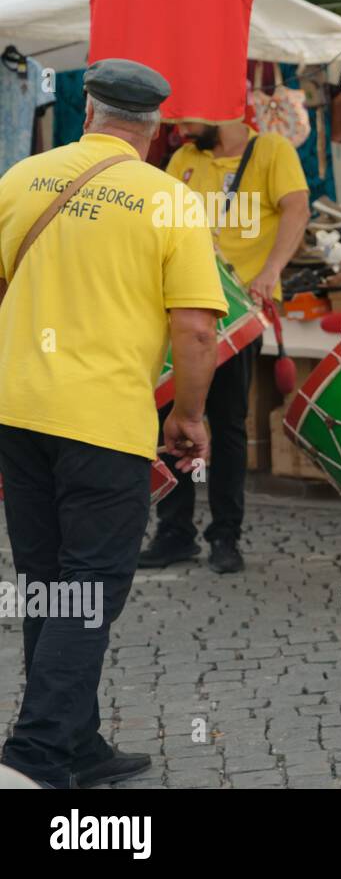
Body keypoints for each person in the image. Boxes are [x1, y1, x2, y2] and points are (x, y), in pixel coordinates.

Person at [0, 59, 226, 788]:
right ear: (154, 128)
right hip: (100, 420)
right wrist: (189, 416)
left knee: (48, 583)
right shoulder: (168, 201)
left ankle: (77, 742)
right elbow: (195, 330)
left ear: (86, 111)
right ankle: (35, 755)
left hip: (17, 411)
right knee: (90, 587)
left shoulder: (20, 179)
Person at [139, 112, 309, 573]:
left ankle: (225, 535)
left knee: (227, 425)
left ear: (222, 106)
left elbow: (297, 209)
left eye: (189, 116)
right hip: (180, 309)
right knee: (168, 418)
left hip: (237, 314)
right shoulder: (183, 159)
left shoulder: (272, 150)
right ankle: (174, 533)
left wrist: (271, 271)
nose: (180, 127)